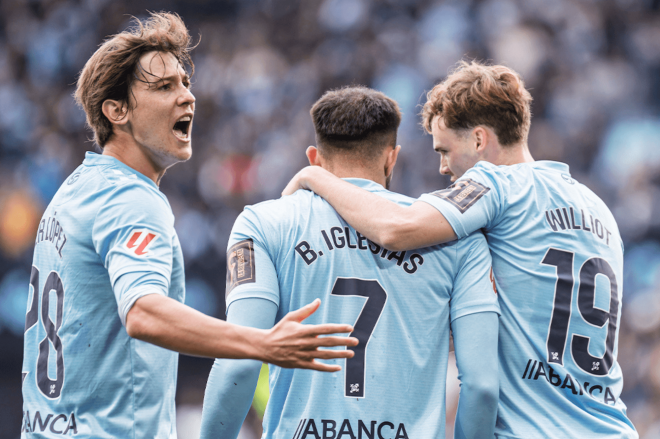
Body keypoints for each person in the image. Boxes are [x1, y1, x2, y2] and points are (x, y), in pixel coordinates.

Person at [20, 13, 357, 438]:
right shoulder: (132, 199)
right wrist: (263, 344)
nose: (187, 97)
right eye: (164, 87)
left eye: (184, 82)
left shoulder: (74, 190)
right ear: (116, 110)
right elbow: (143, 313)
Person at [282, 61, 638, 438]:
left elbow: (395, 229)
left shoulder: (496, 184)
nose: (443, 168)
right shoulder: (595, 206)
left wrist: (314, 177)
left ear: (479, 140)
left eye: (445, 150)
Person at [200, 86, 500, 439]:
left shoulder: (262, 223)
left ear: (314, 158)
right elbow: (481, 387)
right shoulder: (456, 235)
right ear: (392, 158)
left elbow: (240, 361)